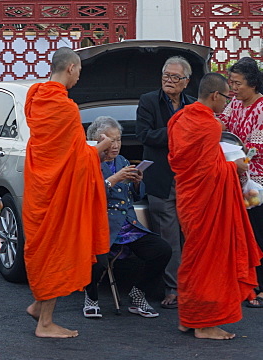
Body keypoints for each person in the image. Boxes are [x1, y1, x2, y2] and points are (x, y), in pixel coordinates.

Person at [23, 48, 110, 339]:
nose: (78, 79)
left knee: (43, 246)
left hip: (39, 187)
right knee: (56, 249)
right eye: (80, 72)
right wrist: (100, 149)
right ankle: (45, 324)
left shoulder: (35, 98)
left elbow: (58, 150)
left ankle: (38, 305)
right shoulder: (66, 107)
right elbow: (76, 160)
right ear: (71, 68)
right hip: (57, 191)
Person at [168, 72, 261, 340]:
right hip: (206, 203)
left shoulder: (180, 118)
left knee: (193, 258)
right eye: (226, 98)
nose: (228, 105)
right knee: (210, 260)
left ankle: (188, 317)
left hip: (188, 200)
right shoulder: (208, 126)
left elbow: (187, 162)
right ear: (214, 96)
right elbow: (210, 172)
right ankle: (205, 324)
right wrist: (235, 166)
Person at [83, 115, 171, 319]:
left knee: (162, 250)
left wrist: (138, 182)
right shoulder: (89, 162)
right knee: (98, 258)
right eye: (111, 140)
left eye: (119, 140)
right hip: (101, 224)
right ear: (97, 141)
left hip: (127, 225)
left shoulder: (122, 160)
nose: (115, 145)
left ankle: (138, 294)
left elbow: (134, 195)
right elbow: (88, 196)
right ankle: (91, 297)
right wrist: (114, 179)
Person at [135, 55, 195, 308]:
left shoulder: (192, 105)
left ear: (186, 82)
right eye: (166, 76)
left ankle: (194, 285)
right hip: (161, 179)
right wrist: (177, 129)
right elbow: (144, 136)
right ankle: (172, 288)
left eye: (175, 77)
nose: (169, 81)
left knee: (192, 236)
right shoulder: (148, 101)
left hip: (189, 179)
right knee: (168, 237)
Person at [219, 56, 263, 307]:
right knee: (239, 233)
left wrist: (239, 164)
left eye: (237, 84)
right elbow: (221, 125)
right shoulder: (234, 104)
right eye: (231, 83)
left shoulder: (262, 109)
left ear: (253, 84)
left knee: (258, 233)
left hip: (256, 181)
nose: (233, 89)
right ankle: (245, 283)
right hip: (234, 177)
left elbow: (257, 149)